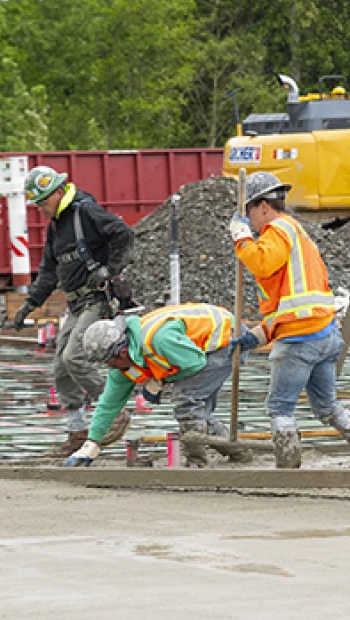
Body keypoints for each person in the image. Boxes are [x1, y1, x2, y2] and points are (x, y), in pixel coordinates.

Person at [230, 171, 350, 469]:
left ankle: (288, 471)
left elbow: (261, 263)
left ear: (263, 206)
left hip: (300, 339)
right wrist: (257, 335)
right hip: (324, 333)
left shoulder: (277, 230)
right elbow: (292, 304)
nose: (249, 221)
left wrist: (241, 237)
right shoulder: (296, 233)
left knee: (280, 407)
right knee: (328, 407)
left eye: (248, 212)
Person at [13, 165, 136, 457]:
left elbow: (124, 234)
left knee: (75, 356)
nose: (40, 208)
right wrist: (30, 304)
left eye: (43, 201)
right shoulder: (56, 226)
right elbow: (48, 270)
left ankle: (114, 412)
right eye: (36, 204)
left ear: (58, 192)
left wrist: (109, 269)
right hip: (76, 303)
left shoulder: (85, 212)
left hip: (97, 298)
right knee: (61, 366)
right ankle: (77, 430)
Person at [65, 303, 256, 467]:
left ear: (122, 352)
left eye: (109, 362)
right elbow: (109, 404)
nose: (109, 367)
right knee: (197, 413)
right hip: (200, 348)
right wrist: (91, 444)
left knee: (186, 400)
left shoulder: (159, 339)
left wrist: (161, 381)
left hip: (227, 338)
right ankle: (240, 453)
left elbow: (195, 363)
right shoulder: (123, 365)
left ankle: (196, 462)